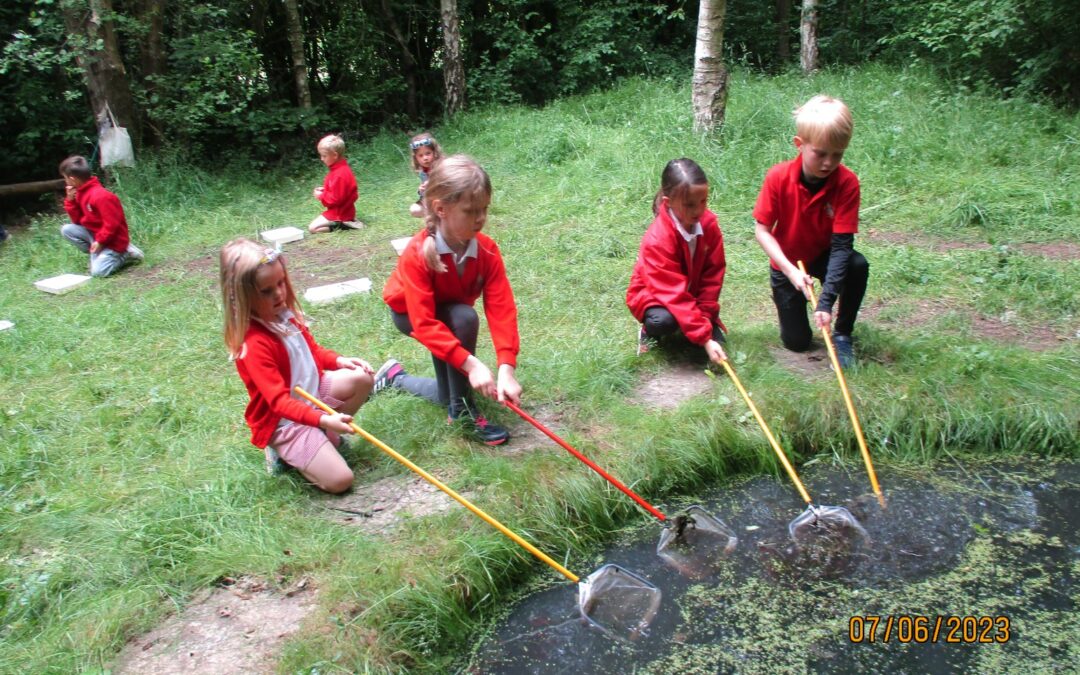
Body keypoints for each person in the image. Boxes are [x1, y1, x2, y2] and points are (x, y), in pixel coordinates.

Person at [376, 155, 521, 446]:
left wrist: (506, 367)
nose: (480, 218)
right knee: (464, 319)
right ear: (440, 209)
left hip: (448, 311)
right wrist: (472, 366)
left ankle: (395, 378)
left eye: (485, 209)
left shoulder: (487, 251)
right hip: (410, 313)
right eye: (470, 211)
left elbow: (501, 307)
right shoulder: (417, 254)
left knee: (449, 390)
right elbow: (425, 322)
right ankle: (463, 412)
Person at [220, 238, 376, 493]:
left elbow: (311, 351)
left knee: (361, 379)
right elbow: (279, 402)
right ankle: (284, 453)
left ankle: (320, 437)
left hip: (311, 395)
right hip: (285, 422)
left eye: (280, 283)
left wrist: (338, 361)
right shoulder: (254, 343)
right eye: (266, 291)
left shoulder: (282, 314)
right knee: (340, 481)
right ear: (243, 296)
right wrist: (324, 418)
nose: (279, 293)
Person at [752, 95, 869, 369]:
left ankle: (842, 335)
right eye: (820, 153)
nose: (829, 163)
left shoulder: (847, 183)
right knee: (797, 342)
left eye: (837, 154)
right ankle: (790, 306)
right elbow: (762, 231)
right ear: (800, 145)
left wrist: (825, 302)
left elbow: (842, 247)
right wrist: (791, 271)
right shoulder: (778, 177)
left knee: (857, 264)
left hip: (822, 255)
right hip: (787, 263)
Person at [626, 158, 728, 365]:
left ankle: (696, 324)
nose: (698, 210)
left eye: (703, 201)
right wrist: (705, 338)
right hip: (656, 297)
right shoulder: (657, 239)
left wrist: (706, 320)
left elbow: (713, 276)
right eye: (689, 204)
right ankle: (649, 331)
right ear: (668, 202)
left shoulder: (709, 225)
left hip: (689, 293)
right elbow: (672, 294)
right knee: (664, 321)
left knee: (702, 331)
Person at [59, 155, 144, 277]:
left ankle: (125, 254)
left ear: (72, 179)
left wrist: (100, 241)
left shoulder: (101, 196)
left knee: (98, 272)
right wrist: (70, 201)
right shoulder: (80, 194)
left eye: (65, 178)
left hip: (113, 240)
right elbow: (77, 221)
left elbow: (112, 225)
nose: (65, 182)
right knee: (67, 230)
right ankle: (102, 255)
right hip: (96, 235)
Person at [308, 135, 362, 233]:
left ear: (335, 155)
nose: (321, 159)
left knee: (312, 228)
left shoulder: (339, 174)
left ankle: (342, 225)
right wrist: (325, 189)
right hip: (346, 210)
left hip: (340, 213)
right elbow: (340, 190)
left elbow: (335, 199)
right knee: (314, 227)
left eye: (324, 156)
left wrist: (321, 196)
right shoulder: (339, 169)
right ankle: (342, 223)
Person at [408, 132, 443, 218]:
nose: (425, 158)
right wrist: (421, 191)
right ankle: (434, 221)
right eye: (420, 155)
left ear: (434, 152)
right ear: (416, 158)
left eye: (428, 153)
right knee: (414, 209)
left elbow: (451, 184)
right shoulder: (422, 172)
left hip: (446, 199)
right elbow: (425, 194)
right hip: (432, 201)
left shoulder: (442, 166)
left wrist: (432, 183)